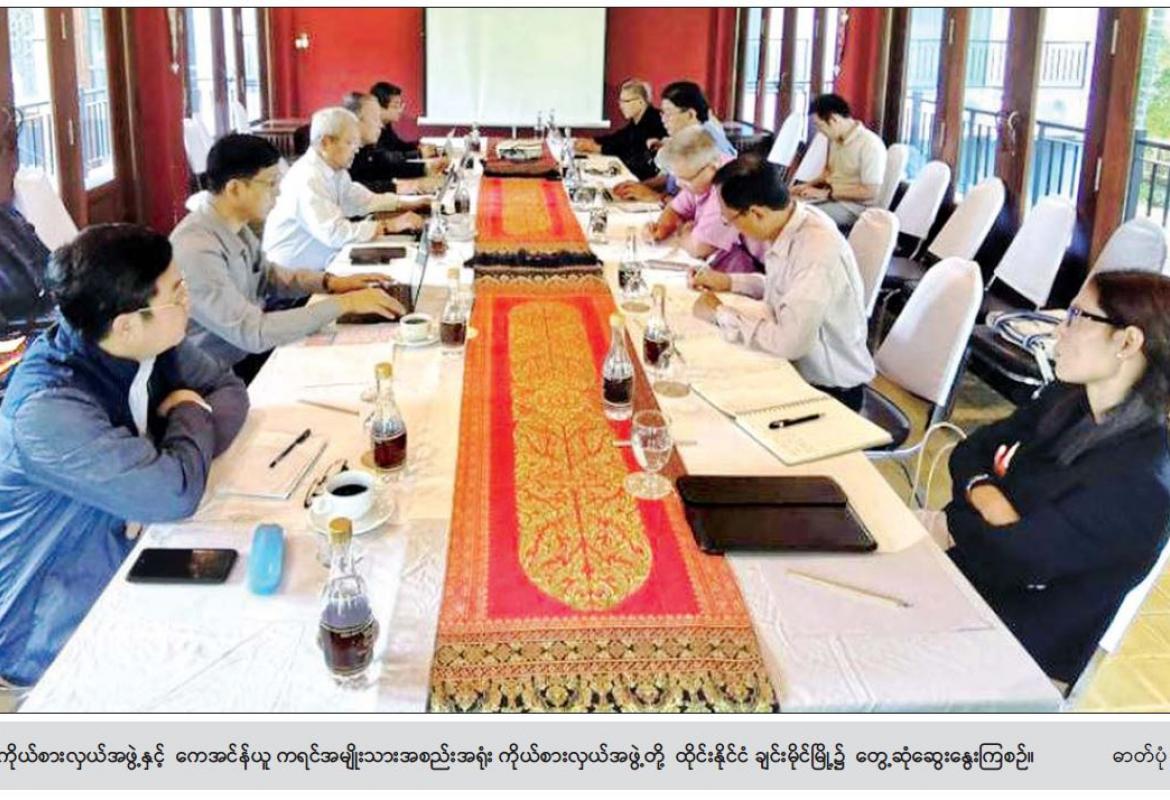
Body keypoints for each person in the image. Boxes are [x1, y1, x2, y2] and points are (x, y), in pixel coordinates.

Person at [0, 224, 249, 688]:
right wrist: (187, 415)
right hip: (52, 630)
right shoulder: (47, 409)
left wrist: (167, 461)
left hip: (134, 556)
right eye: (177, 294)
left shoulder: (148, 343)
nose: (188, 302)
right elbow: (174, 494)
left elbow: (230, 389)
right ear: (127, 323)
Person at [936, 270, 1170, 686]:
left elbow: (1011, 560)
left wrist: (963, 507)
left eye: (1077, 316)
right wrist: (987, 497)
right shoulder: (1068, 399)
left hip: (1010, 649)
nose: (1059, 330)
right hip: (968, 576)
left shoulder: (1141, 482)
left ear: (1128, 342)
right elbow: (971, 450)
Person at [171, 133, 406, 376]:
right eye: (271, 183)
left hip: (246, 354)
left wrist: (331, 283)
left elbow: (269, 277)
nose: (277, 193)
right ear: (235, 188)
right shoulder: (196, 249)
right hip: (218, 375)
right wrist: (346, 304)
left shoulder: (236, 227)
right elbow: (253, 333)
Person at [690, 154, 875, 411]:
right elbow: (785, 289)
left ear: (755, 213)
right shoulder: (791, 221)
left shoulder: (816, 249)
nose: (732, 227)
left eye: (729, 220)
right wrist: (728, 281)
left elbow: (791, 342)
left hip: (827, 392)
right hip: (794, 370)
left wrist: (720, 313)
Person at [262, 107, 426, 271]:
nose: (357, 149)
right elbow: (335, 233)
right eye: (350, 142)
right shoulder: (308, 178)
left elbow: (362, 200)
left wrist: (411, 204)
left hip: (326, 261)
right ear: (325, 143)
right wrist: (388, 225)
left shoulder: (335, 170)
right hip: (294, 277)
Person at [643, 127, 764, 274]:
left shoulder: (730, 184)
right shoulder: (700, 173)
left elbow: (699, 248)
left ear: (712, 168)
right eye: (677, 177)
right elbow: (675, 209)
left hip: (754, 273)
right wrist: (661, 229)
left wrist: (682, 232)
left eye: (686, 179)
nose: (679, 184)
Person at [613, 80, 737, 204]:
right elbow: (672, 179)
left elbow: (696, 206)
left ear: (690, 114)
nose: (663, 120)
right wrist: (641, 186)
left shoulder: (709, 144)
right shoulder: (690, 135)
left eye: (668, 113)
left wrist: (654, 196)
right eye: (662, 113)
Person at [791, 93, 887, 232]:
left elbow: (871, 192)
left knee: (798, 217)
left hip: (853, 208)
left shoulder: (870, 144)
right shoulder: (835, 139)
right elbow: (828, 172)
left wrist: (827, 193)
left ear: (834, 119)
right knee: (783, 206)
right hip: (829, 198)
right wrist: (806, 186)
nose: (820, 132)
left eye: (820, 126)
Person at [342, 91, 445, 193]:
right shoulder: (342, 154)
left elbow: (386, 166)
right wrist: (407, 187)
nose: (381, 125)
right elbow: (353, 190)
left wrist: (425, 168)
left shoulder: (366, 148)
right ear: (355, 120)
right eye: (375, 119)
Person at [574, 78, 666, 180]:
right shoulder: (637, 120)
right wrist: (594, 141)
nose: (620, 106)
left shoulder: (654, 121)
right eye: (620, 101)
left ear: (640, 102)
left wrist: (598, 148)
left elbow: (633, 152)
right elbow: (620, 137)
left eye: (625, 101)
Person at [370, 81, 440, 159]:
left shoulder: (386, 125)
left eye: (400, 105)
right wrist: (419, 154)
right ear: (379, 107)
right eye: (395, 106)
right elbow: (385, 158)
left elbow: (398, 145)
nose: (400, 110)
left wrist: (417, 146)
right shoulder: (369, 128)